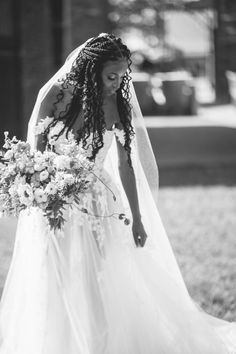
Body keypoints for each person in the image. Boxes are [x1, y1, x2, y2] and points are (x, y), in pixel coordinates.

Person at [0, 33, 236, 354]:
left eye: (123, 76)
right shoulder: (55, 96)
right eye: (112, 76)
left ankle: (101, 342)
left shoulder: (117, 106)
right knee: (57, 270)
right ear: (91, 69)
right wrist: (43, 188)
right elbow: (35, 152)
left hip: (101, 203)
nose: (117, 83)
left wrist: (138, 217)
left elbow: (127, 165)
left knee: (98, 274)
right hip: (55, 198)